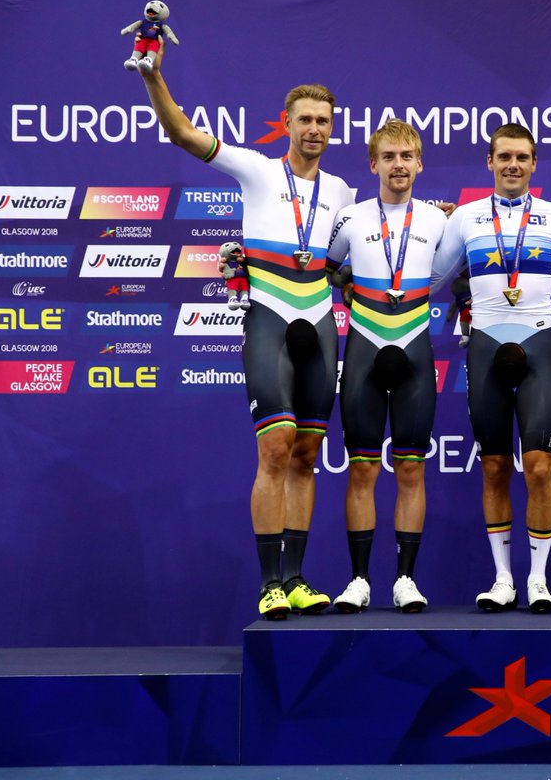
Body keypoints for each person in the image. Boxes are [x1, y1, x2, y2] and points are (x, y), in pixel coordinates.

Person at [135, 42, 354, 619]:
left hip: (320, 324)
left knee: (307, 453)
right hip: (269, 321)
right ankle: (269, 583)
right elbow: (183, 134)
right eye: (305, 120)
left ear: (332, 128)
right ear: (287, 123)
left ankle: (297, 578)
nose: (314, 129)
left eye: (323, 121)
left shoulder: (341, 193)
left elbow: (359, 254)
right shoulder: (256, 169)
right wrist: (153, 76)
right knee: (275, 450)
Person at [431, 124, 551, 613]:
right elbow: (432, 277)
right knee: (494, 466)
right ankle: (503, 579)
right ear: (490, 162)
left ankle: (537, 579)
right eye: (504, 157)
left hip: (538, 340)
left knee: (540, 466)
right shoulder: (466, 217)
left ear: (534, 163)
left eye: (522, 157)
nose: (513, 165)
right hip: (484, 344)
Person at [325, 120, 448, 614]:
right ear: (373, 163)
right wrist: (347, 284)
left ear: (420, 163)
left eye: (407, 156)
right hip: (364, 350)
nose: (399, 165)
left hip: (415, 350)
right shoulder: (350, 218)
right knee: (362, 470)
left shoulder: (439, 221)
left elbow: (461, 272)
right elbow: (325, 269)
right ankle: (358, 580)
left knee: (412, 469)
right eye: (389, 156)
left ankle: (405, 580)